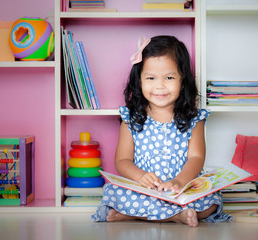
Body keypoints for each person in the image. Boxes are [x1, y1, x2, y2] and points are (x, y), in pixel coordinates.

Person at [92, 35, 231, 227]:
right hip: (145, 189)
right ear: (139, 80)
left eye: (169, 77)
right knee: (113, 193)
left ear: (183, 81)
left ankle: (135, 215)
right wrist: (140, 177)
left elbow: (196, 158)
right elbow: (122, 161)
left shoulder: (193, 118)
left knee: (211, 200)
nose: (160, 85)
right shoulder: (131, 118)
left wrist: (179, 182)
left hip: (181, 188)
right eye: (150, 78)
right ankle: (176, 217)